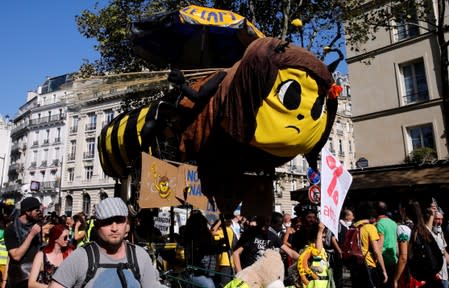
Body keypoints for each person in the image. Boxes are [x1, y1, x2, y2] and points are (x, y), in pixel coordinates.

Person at [49, 197, 167, 288]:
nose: (114, 228)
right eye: (108, 222)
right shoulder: (81, 257)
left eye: (119, 221)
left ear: (127, 226)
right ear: (97, 226)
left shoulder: (140, 256)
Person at [232, 213, 299, 273]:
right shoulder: (250, 233)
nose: (264, 228)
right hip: (249, 274)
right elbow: (236, 253)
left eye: (266, 226)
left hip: (264, 274)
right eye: (262, 225)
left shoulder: (272, 235)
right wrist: (240, 274)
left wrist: (303, 258)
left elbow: (290, 252)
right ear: (258, 222)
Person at [4, 197, 42, 288]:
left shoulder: (36, 226)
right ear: (27, 212)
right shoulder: (11, 229)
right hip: (18, 280)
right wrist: (31, 235)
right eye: (37, 210)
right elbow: (16, 256)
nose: (39, 212)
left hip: (34, 277)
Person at [183, 210, 226, 288]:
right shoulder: (193, 235)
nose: (203, 223)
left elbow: (208, 245)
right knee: (210, 286)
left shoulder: (203, 234)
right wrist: (221, 248)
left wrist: (220, 243)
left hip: (207, 271)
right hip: (196, 273)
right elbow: (205, 249)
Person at [351, 203, 388, 287]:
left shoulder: (353, 226)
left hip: (355, 265)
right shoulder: (370, 228)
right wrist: (383, 270)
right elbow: (376, 251)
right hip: (368, 265)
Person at [376, 201, 398, 288]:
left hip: (383, 262)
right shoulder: (394, 223)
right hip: (394, 259)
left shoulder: (379, 224)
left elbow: (379, 246)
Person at [431, 210, 449, 287]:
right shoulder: (428, 232)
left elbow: (444, 251)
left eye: (441, 219)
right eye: (438, 219)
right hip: (435, 275)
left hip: (444, 274)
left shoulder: (440, 231)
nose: (440, 222)